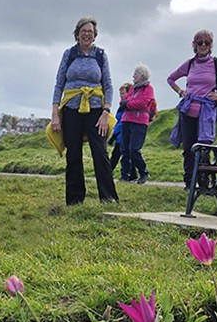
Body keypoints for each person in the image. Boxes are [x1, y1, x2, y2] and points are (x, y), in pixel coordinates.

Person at [51, 16, 117, 205]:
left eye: (90, 31)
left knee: (100, 152)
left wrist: (106, 112)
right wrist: (55, 113)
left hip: (96, 109)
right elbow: (59, 84)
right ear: (77, 35)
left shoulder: (100, 55)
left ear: (95, 35)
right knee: (73, 154)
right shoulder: (69, 54)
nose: (87, 34)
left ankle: (108, 197)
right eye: (83, 31)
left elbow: (108, 85)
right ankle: (74, 200)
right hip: (71, 108)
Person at [167, 30, 217, 186]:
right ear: (194, 45)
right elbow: (171, 78)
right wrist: (181, 91)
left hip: (206, 112)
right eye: (199, 42)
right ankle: (189, 183)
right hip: (188, 111)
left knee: (204, 147)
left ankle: (203, 183)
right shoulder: (189, 64)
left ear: (211, 45)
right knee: (189, 148)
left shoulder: (216, 63)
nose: (203, 45)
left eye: (206, 43)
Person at [121, 65, 156, 184]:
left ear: (142, 75)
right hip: (126, 120)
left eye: (136, 73)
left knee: (134, 149)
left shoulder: (148, 89)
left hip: (139, 122)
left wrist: (128, 103)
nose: (133, 75)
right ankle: (125, 176)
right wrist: (127, 102)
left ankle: (143, 172)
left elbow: (143, 103)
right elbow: (122, 101)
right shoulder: (133, 88)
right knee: (124, 149)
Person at [110, 82, 131, 178]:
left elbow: (122, 121)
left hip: (122, 135)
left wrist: (114, 133)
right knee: (123, 155)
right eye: (120, 94)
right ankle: (132, 175)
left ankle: (107, 173)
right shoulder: (122, 105)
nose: (121, 96)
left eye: (123, 93)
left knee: (117, 156)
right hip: (120, 135)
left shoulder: (126, 105)